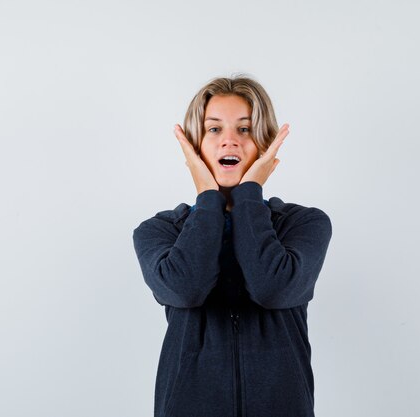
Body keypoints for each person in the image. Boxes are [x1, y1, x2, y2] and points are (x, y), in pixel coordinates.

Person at [132, 74, 333, 417]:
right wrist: (208, 197)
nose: (230, 142)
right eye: (214, 129)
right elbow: (186, 288)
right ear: (194, 145)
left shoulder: (303, 225)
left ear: (266, 143)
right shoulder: (159, 231)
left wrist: (248, 194)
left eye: (244, 129)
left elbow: (272, 288)